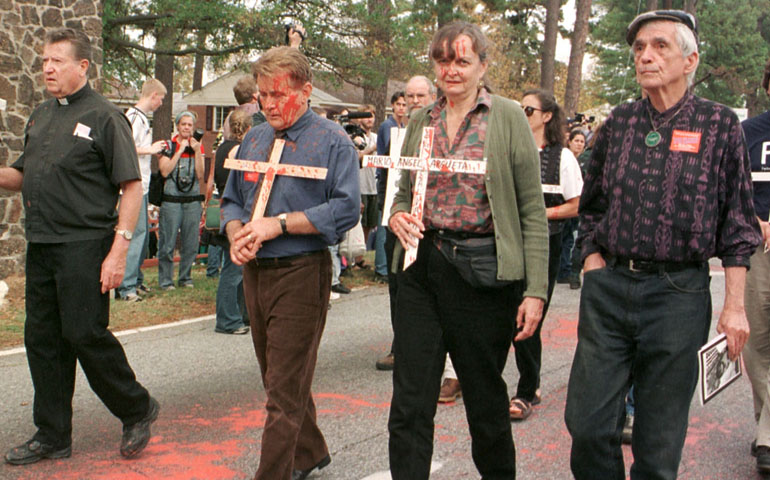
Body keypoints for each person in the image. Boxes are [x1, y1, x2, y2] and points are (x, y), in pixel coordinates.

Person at [565, 10, 761, 480]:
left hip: (678, 293)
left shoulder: (718, 124)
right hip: (609, 288)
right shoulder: (619, 123)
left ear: (690, 59)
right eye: (638, 48)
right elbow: (591, 204)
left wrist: (735, 306)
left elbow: (738, 222)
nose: (645, 56)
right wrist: (593, 258)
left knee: (658, 442)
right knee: (588, 427)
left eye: (659, 46)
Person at [387, 21, 548, 479]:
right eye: (443, 60)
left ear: (482, 64)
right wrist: (398, 213)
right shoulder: (421, 119)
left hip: (482, 274)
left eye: (462, 60)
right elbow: (403, 190)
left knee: (484, 400)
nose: (451, 70)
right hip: (421, 268)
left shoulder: (509, 117)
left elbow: (531, 210)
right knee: (411, 401)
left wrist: (535, 290)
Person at [1, 28, 159, 465]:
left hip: (85, 245)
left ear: (82, 66)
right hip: (43, 244)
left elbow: (130, 187)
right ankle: (53, 434)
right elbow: (21, 176)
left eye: (56, 61)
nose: (47, 68)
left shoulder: (108, 117)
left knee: (84, 334)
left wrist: (118, 251)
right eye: (44, 61)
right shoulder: (39, 116)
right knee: (42, 339)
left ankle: (137, 408)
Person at [221, 46, 359, 480]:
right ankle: (309, 452)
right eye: (263, 95)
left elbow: (346, 209)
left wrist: (278, 225)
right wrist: (236, 235)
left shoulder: (333, 141)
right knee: (280, 377)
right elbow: (230, 201)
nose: (270, 105)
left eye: (279, 95)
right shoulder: (255, 138)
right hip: (255, 273)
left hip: (301, 272)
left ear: (307, 90)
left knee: (281, 391)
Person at [508, 90, 582, 421]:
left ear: (546, 116)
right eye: (519, 108)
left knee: (528, 315)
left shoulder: (562, 158)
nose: (522, 114)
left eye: (528, 109)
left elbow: (578, 204)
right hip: (507, 242)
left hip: (544, 245)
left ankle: (527, 389)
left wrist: (543, 215)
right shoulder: (510, 150)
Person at [742, 56, 770, 474]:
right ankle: (767, 425)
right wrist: (757, 221)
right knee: (758, 343)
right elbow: (732, 191)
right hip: (756, 251)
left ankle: (767, 437)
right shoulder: (746, 132)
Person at [117, 79, 167, 302]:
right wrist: (151, 149)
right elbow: (125, 146)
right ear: (154, 95)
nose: (161, 103)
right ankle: (125, 287)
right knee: (135, 235)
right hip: (134, 185)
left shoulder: (142, 119)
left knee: (144, 235)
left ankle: (136, 280)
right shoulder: (134, 117)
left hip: (143, 185)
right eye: (161, 99)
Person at [373, 91, 408, 370]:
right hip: (394, 214)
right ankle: (401, 347)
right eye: (406, 98)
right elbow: (386, 169)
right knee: (397, 286)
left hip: (426, 224)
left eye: (419, 97)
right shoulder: (390, 130)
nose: (410, 104)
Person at [212, 110, 252, 335]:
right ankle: (227, 318)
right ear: (247, 129)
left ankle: (241, 314)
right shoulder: (239, 150)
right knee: (233, 268)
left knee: (239, 265)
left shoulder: (221, 149)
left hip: (225, 206)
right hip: (235, 210)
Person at [157, 111, 205, 290]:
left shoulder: (198, 147)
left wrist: (197, 151)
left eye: (190, 125)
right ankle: (166, 280)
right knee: (167, 243)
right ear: (177, 126)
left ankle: (185, 278)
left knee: (191, 242)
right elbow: (165, 171)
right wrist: (180, 150)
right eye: (183, 124)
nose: (186, 127)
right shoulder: (168, 146)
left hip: (191, 201)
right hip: (171, 201)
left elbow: (200, 175)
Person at [556, 129, 586, 286]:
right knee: (565, 239)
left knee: (569, 240)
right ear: (569, 141)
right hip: (564, 205)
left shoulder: (581, 160)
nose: (579, 144)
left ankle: (564, 270)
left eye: (582, 141)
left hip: (575, 207)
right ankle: (563, 271)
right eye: (577, 140)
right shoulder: (564, 158)